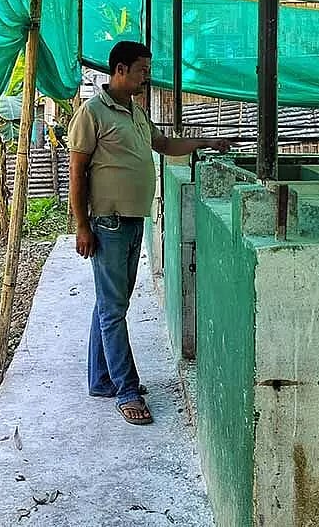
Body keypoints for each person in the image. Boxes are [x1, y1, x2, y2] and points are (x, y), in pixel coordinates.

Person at [68, 41, 230, 425]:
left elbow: (165, 144)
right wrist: (81, 225)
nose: (147, 76)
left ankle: (101, 379)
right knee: (112, 308)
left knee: (111, 303)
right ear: (120, 70)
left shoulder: (135, 112)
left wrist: (205, 141)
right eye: (142, 69)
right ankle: (126, 390)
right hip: (107, 222)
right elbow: (76, 174)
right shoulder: (92, 113)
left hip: (132, 219)